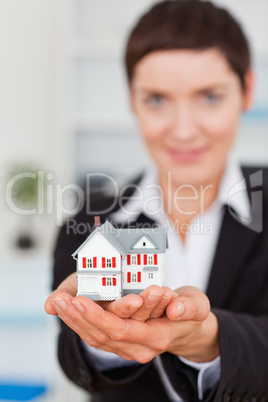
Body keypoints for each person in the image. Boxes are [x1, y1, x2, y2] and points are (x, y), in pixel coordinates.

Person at [45, 1, 268, 401]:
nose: (183, 130)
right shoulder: (91, 220)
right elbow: (74, 361)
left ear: (246, 90)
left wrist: (207, 339)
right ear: (132, 100)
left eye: (210, 97)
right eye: (157, 100)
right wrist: (102, 333)